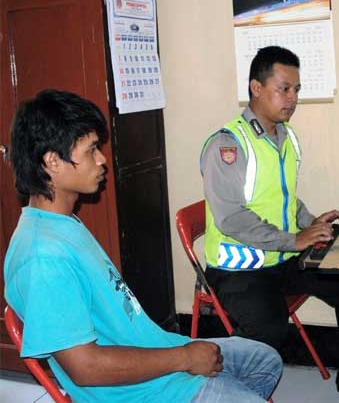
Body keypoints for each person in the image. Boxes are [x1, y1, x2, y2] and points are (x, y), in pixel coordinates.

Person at [4, 89, 282, 403]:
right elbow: (85, 368)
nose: (102, 159)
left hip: (155, 355)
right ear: (52, 162)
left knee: (264, 360)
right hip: (138, 394)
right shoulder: (43, 256)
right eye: (92, 149)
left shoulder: (63, 224)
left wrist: (179, 354)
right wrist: (185, 358)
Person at [200, 46, 339, 393]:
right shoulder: (228, 145)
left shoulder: (284, 137)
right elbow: (232, 218)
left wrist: (314, 224)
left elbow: (284, 198)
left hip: (280, 259)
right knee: (270, 332)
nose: (292, 98)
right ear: (256, 88)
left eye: (296, 90)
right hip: (239, 272)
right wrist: (296, 240)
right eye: (283, 88)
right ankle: (228, 395)